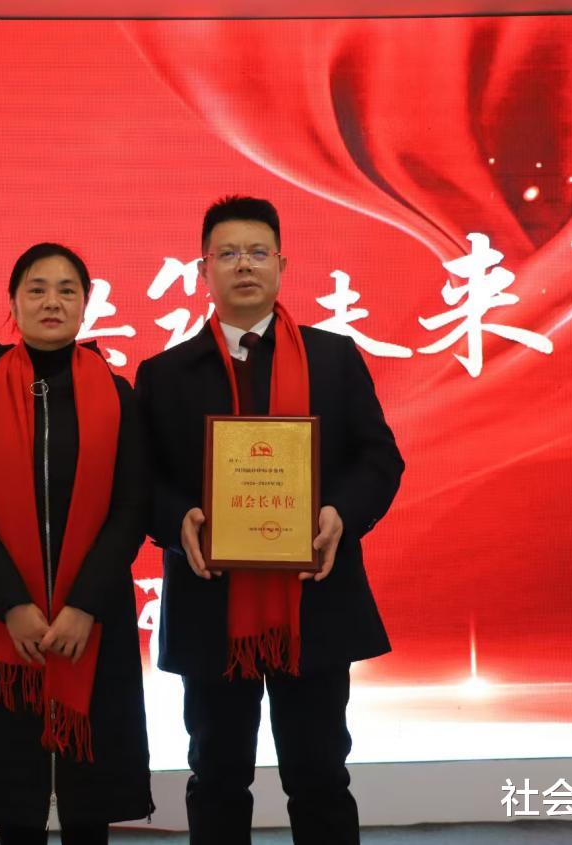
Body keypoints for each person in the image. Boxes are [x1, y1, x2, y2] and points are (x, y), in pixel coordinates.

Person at [135, 197, 404, 845]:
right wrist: (178, 518)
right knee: (216, 775)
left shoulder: (333, 358)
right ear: (203, 270)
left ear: (281, 265)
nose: (244, 265)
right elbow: (139, 480)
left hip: (314, 599)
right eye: (227, 253)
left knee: (319, 774)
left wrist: (340, 512)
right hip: (211, 603)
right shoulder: (166, 374)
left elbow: (378, 459)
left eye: (257, 252)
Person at [0, 243, 153, 844]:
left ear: (86, 303)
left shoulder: (117, 393)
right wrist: (13, 605)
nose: (52, 302)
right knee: (16, 800)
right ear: (13, 303)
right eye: (36, 289)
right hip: (6, 620)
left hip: (95, 617)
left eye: (67, 290)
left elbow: (131, 506)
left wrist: (84, 604)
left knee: (91, 799)